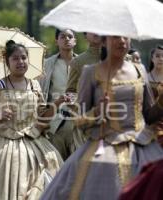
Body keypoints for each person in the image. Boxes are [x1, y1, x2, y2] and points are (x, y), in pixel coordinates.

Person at [41, 36, 163, 200]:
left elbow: (149, 115)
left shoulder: (140, 69)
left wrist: (161, 102)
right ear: (104, 41)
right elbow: (79, 120)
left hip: (143, 147)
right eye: (115, 37)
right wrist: (98, 111)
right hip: (104, 146)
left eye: (125, 36)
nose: (121, 41)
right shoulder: (90, 72)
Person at [0, 40, 63, 200]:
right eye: (15, 58)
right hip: (2, 145)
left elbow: (43, 117)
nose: (20, 62)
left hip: (34, 142)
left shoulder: (34, 85)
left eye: (23, 57)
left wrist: (58, 102)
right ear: (7, 62)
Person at [39, 28, 77, 160]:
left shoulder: (83, 64)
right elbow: (41, 93)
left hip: (78, 123)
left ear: (75, 41)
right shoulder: (47, 65)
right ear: (56, 41)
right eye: (62, 36)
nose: (67, 39)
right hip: (55, 124)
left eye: (70, 36)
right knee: (56, 169)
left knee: (78, 169)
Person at [65, 32, 103, 153]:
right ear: (85, 36)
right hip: (87, 128)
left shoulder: (123, 59)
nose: (96, 31)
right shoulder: (79, 61)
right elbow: (70, 92)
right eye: (91, 29)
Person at [147, 45, 163, 147]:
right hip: (150, 122)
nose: (161, 59)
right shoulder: (145, 78)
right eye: (157, 56)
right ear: (152, 58)